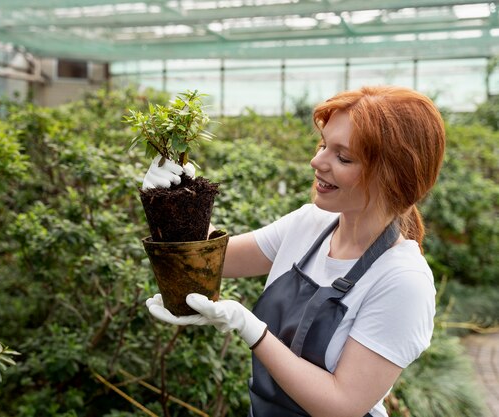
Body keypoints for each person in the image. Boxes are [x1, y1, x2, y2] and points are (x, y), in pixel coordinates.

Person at [144, 85, 446, 417]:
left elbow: (341, 404)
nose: (317, 161)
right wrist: (169, 201)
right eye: (323, 145)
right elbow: (213, 259)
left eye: (342, 156)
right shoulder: (310, 224)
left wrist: (252, 329)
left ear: (393, 176)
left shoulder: (403, 281)